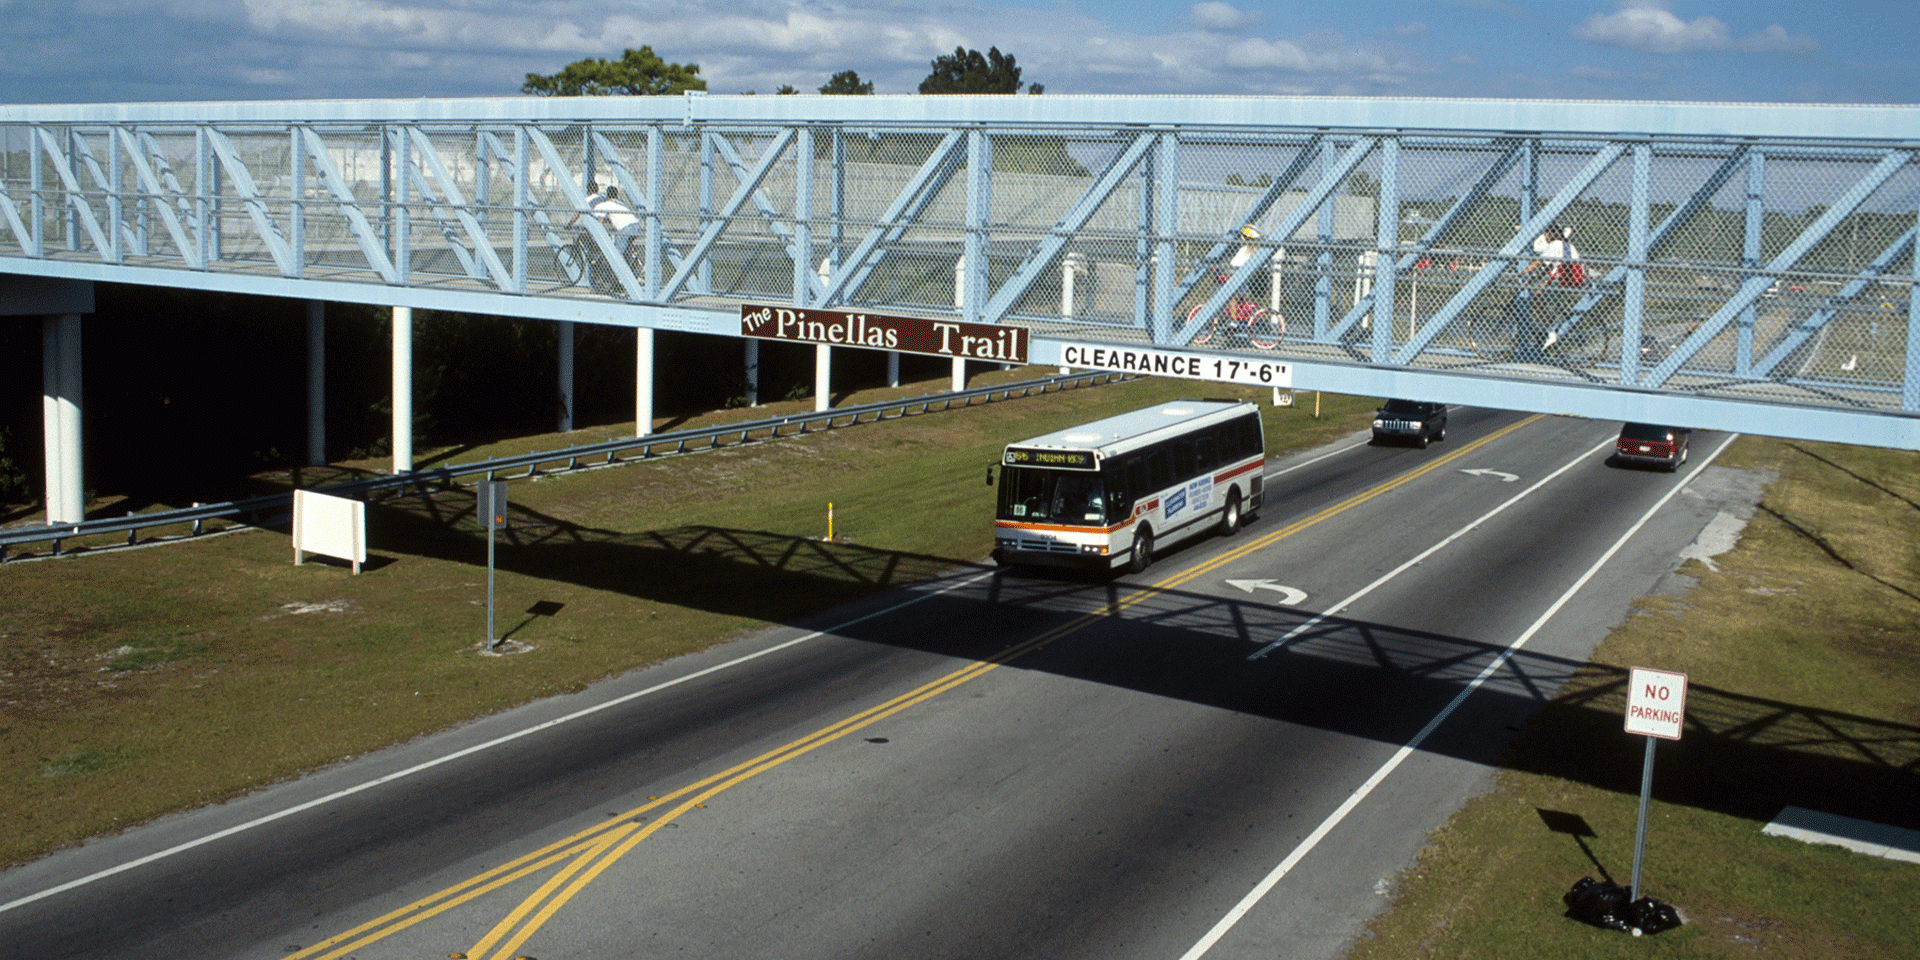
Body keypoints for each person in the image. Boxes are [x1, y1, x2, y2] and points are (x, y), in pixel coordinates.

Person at [1518, 223, 1583, 351]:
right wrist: (1531, 280)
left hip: (1566, 278)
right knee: (1540, 291)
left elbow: (1539, 262)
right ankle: (1548, 329)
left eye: (1546, 234)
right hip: (1572, 277)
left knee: (1536, 296)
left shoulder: (1555, 245)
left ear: (1550, 234)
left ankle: (1550, 331)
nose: (1545, 237)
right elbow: (1547, 268)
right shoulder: (1565, 245)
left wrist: (1521, 274)